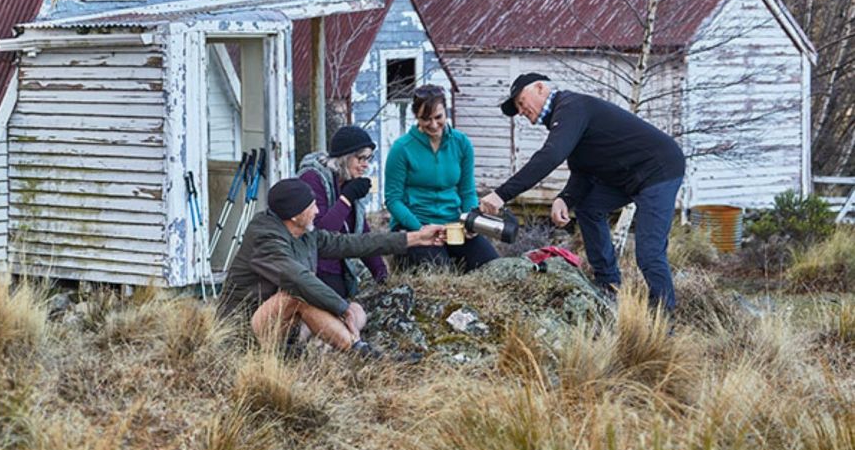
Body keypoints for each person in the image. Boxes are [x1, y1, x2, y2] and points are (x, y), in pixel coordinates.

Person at [479, 73, 686, 311]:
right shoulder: (564, 120)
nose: (521, 110)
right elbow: (583, 172)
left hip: (659, 169)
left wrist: (501, 194)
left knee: (648, 251)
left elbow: (551, 155)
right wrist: (565, 198)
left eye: (521, 102)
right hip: (630, 176)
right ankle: (609, 285)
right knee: (589, 208)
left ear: (539, 88)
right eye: (517, 108)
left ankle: (663, 318)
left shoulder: (571, 107)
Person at [218, 178, 445, 355]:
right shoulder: (265, 238)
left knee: (356, 309)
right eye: (312, 206)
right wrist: (339, 308)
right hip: (244, 332)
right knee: (297, 296)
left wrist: (417, 238)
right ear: (296, 215)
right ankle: (360, 352)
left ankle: (331, 345)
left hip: (285, 327)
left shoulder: (305, 234)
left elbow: (354, 243)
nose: (318, 211)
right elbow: (297, 278)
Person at [384, 84, 499, 272]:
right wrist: (420, 229)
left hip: (454, 225)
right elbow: (393, 200)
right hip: (416, 225)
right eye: (425, 119)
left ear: (446, 112)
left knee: (491, 267)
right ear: (416, 117)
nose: (433, 124)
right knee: (441, 272)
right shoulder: (401, 149)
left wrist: (470, 222)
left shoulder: (462, 143)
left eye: (438, 117)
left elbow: (467, 191)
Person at [298, 125, 386, 299]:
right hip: (312, 267)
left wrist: (381, 274)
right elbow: (320, 235)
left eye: (368, 158)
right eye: (361, 158)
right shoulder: (312, 178)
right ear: (344, 158)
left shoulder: (347, 180)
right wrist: (346, 199)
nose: (366, 165)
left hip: (339, 268)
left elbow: (361, 232)